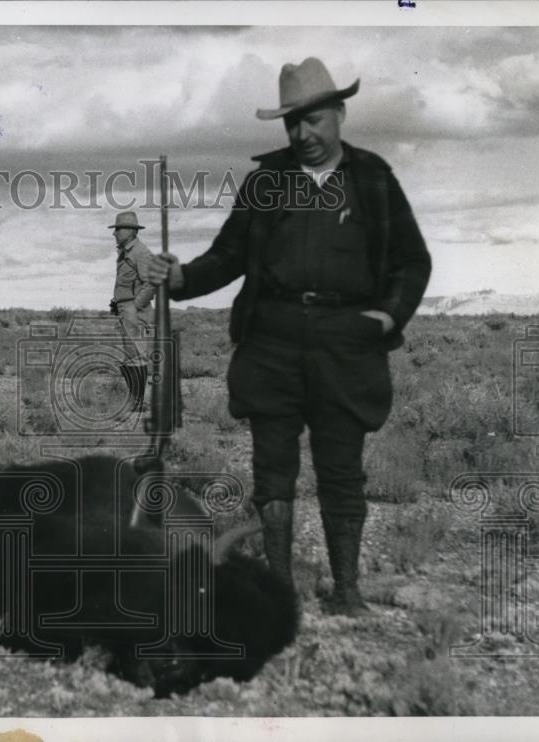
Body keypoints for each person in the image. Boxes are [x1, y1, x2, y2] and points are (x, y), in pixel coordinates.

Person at [147, 58, 431, 616]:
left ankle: (346, 592)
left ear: (339, 115)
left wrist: (388, 317)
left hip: (346, 345)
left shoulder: (373, 179)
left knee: (342, 469)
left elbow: (412, 260)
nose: (303, 134)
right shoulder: (266, 182)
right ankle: (279, 593)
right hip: (271, 342)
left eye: (314, 120)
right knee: (272, 469)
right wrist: (181, 279)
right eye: (292, 123)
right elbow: (227, 256)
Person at [109, 210, 156, 413]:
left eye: (118, 229)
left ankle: (136, 403)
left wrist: (134, 307)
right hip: (125, 309)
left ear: (129, 231)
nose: (115, 234)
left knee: (137, 355)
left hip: (134, 311)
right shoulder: (126, 253)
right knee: (130, 356)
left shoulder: (141, 253)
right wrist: (116, 302)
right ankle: (134, 401)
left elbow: (151, 283)